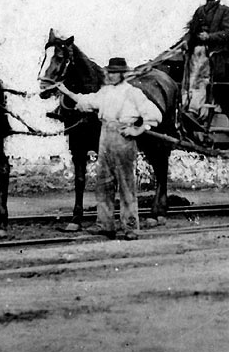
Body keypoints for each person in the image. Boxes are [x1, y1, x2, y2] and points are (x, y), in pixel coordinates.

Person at [57, 57, 162, 240]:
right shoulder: (104, 92)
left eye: (115, 72)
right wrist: (65, 90)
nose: (112, 75)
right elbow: (87, 102)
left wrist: (137, 130)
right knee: (103, 184)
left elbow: (154, 114)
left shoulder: (133, 93)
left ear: (122, 74)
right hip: (105, 137)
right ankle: (105, 225)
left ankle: (130, 228)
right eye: (110, 72)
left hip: (123, 139)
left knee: (126, 186)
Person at [185, 0, 229, 118]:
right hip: (197, 51)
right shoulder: (200, 11)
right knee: (191, 79)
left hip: (214, 53)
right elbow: (191, 30)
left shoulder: (225, 11)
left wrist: (210, 37)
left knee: (202, 80)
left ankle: (195, 110)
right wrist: (186, 41)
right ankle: (188, 106)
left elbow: (228, 32)